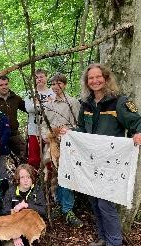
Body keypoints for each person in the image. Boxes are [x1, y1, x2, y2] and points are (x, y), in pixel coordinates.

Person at [61, 63, 141, 246]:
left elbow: (140, 122)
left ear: (106, 78)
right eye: (90, 78)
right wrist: (70, 134)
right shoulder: (85, 104)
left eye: (98, 77)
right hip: (90, 163)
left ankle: (114, 243)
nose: (95, 81)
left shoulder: (119, 102)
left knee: (105, 203)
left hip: (111, 164)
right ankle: (102, 237)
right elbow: (81, 130)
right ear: (87, 82)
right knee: (94, 201)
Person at [42, 73, 83, 228]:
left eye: (59, 83)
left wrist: (67, 132)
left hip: (68, 145)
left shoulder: (72, 102)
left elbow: (78, 124)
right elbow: (43, 124)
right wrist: (46, 135)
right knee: (53, 173)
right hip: (51, 144)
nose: (55, 86)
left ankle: (68, 209)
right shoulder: (48, 103)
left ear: (64, 85)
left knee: (67, 174)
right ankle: (57, 203)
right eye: (53, 84)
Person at [0, 164, 46, 246]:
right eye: (22, 177)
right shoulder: (11, 192)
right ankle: (8, 240)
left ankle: (25, 239)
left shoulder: (37, 190)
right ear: (18, 179)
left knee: (35, 238)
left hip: (30, 225)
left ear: (32, 178)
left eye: (28, 177)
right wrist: (15, 235)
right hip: (12, 225)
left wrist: (26, 205)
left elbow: (43, 211)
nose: (26, 181)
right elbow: (3, 213)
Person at [0, 76, 27, 162]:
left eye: (6, 84)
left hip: (14, 134)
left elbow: (28, 109)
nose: (4, 87)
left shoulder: (15, 98)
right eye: (1, 85)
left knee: (25, 155)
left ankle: (23, 174)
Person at [24, 69, 56, 169]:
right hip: (34, 129)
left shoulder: (52, 92)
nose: (39, 79)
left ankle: (50, 182)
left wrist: (38, 104)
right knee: (34, 159)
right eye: (36, 78)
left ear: (46, 77)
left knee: (50, 157)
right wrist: (47, 104)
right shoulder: (30, 93)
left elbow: (54, 108)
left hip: (49, 129)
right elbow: (29, 108)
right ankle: (32, 181)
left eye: (41, 77)